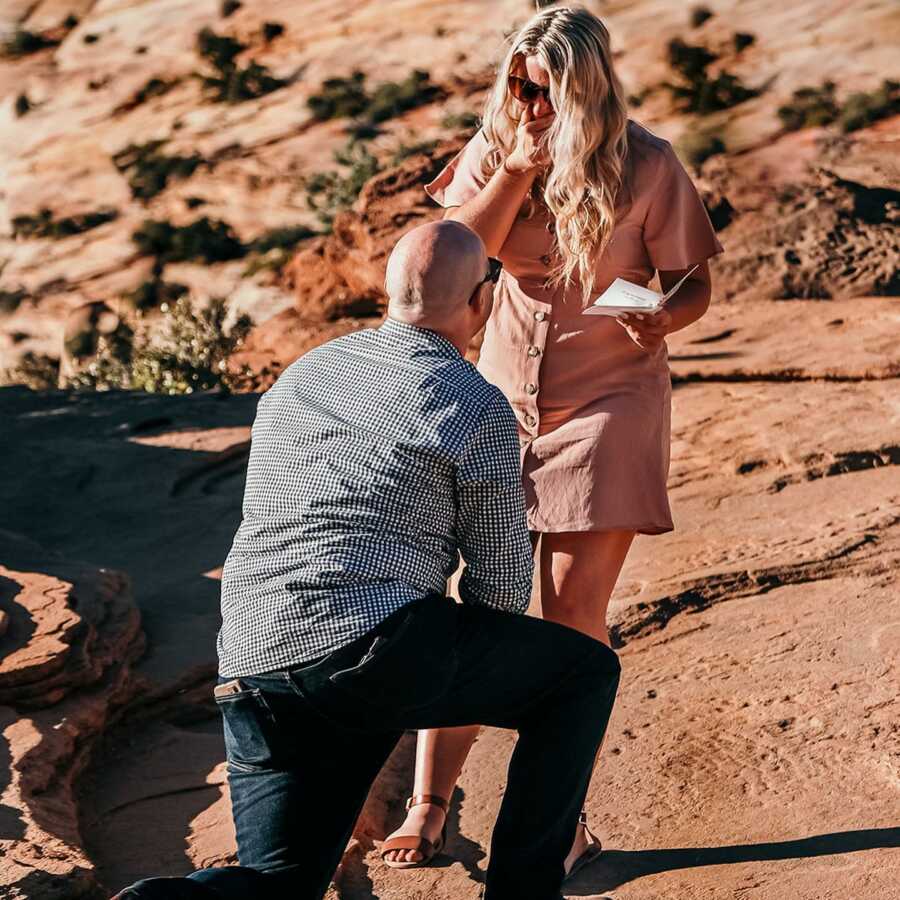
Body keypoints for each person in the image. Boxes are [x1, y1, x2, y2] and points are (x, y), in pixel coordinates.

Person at [111, 220, 622, 900]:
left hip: (252, 662)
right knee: (580, 674)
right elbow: (499, 592)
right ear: (483, 301)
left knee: (278, 883)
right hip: (374, 647)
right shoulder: (473, 403)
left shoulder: (303, 375)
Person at [382, 4, 724, 876]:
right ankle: (429, 804)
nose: (530, 103)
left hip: (610, 397)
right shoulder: (498, 145)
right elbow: (459, 251)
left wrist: (663, 320)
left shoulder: (647, 163)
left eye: (547, 90)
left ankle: (556, 821)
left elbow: (691, 285)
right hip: (495, 399)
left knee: (571, 614)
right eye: (519, 85)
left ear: (589, 85)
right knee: (479, 607)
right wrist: (520, 166)